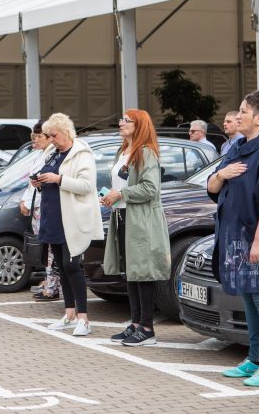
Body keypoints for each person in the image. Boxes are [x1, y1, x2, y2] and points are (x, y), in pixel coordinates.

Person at [207, 91, 259, 387]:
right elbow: (212, 186)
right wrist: (223, 174)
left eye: (243, 111)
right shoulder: (238, 147)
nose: (237, 116)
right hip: (234, 234)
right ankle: (254, 357)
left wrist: (258, 242)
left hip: (256, 237)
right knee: (248, 295)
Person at [100, 109, 171, 347]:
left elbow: (151, 188)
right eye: (121, 119)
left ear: (139, 125)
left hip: (140, 219)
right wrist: (112, 196)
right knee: (131, 271)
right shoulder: (123, 151)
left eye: (126, 120)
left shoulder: (146, 152)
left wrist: (121, 194)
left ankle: (147, 328)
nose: (120, 123)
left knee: (143, 272)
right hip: (122, 215)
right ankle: (136, 322)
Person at [33, 113, 103, 337]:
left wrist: (59, 179)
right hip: (53, 217)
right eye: (49, 136)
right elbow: (47, 178)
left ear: (65, 132)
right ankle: (69, 313)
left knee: (72, 266)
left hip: (72, 218)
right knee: (61, 267)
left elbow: (86, 185)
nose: (51, 139)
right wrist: (38, 183)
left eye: (53, 135)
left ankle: (84, 318)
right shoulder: (53, 153)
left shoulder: (81, 154)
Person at [18, 123, 59, 301]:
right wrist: (24, 199)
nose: (36, 140)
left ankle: (52, 287)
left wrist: (28, 198)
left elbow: (41, 181)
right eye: (34, 136)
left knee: (50, 249)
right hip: (37, 206)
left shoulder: (52, 153)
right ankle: (48, 281)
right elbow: (32, 182)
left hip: (45, 206)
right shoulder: (42, 154)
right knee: (45, 249)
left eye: (39, 136)